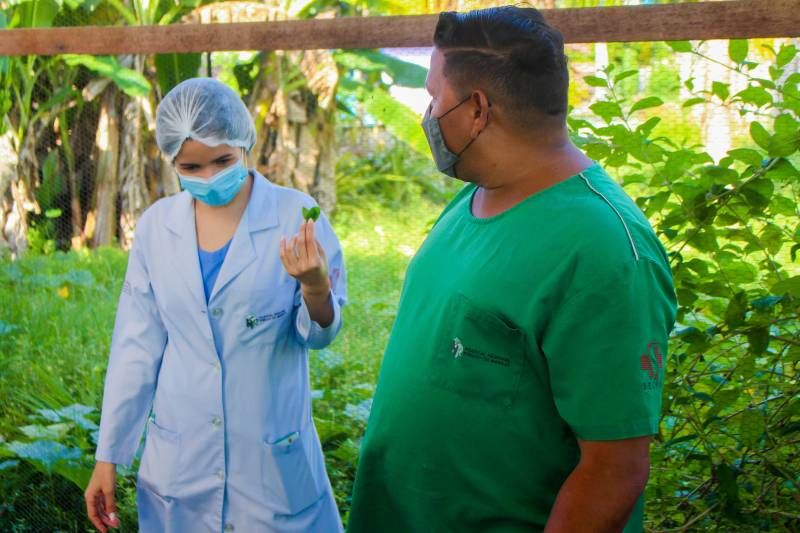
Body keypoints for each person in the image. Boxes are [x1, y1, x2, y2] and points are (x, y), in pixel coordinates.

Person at [347, 6, 676, 533]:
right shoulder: (478, 194)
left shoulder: (605, 252)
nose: (428, 113)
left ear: (477, 110)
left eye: (434, 97)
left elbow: (614, 471)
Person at [83, 78, 347, 533]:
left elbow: (319, 333)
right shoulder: (156, 229)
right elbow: (135, 349)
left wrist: (316, 289)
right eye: (191, 166)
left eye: (223, 161)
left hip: (271, 465)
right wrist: (108, 456)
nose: (208, 176)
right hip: (181, 465)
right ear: (172, 161)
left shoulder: (294, 216)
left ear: (244, 141)